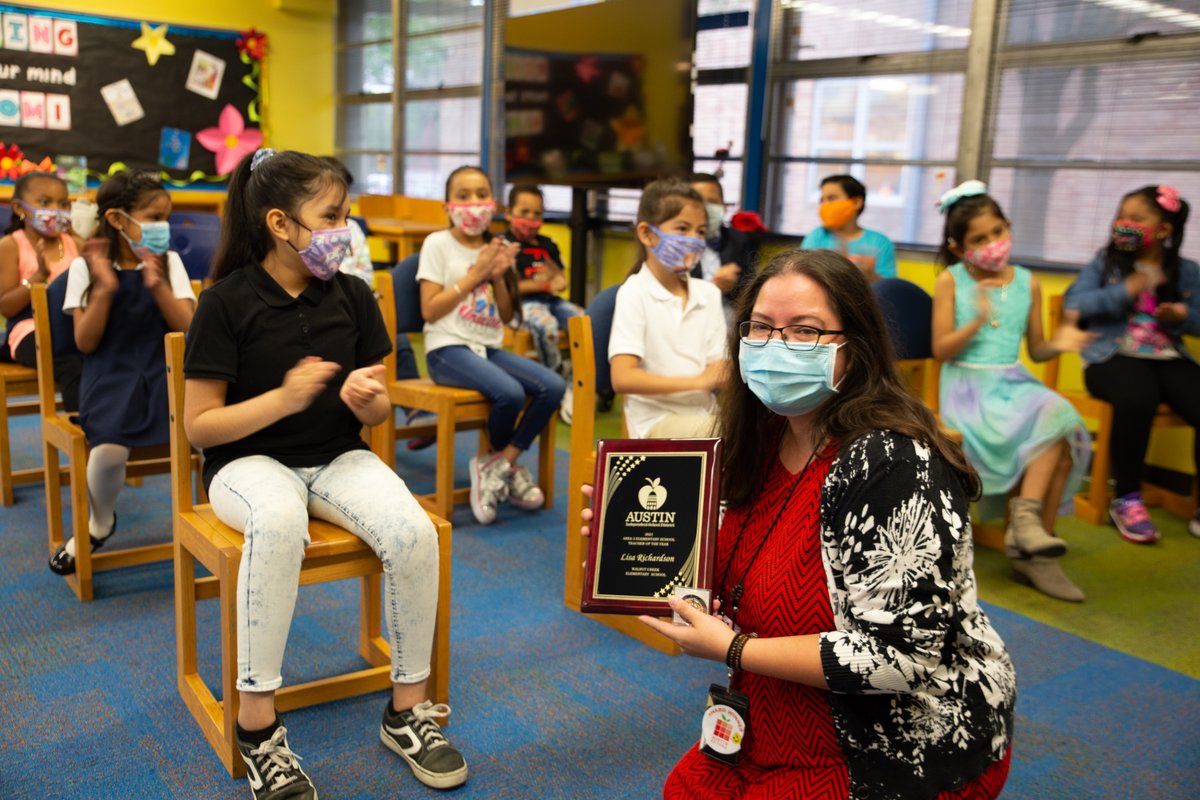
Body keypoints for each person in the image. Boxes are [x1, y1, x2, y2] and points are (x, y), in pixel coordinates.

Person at [584, 248, 1014, 799]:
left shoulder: (890, 464)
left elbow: (903, 657)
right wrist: (635, 538)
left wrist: (734, 650)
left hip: (889, 742)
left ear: (854, 350)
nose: (776, 346)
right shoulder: (765, 436)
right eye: (760, 328)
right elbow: (743, 568)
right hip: (768, 715)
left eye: (806, 331)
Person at [184, 148, 467, 799]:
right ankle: (258, 729)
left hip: (337, 455)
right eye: (332, 216)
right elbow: (200, 426)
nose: (346, 229)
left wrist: (373, 404)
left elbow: (381, 398)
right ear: (281, 223)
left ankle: (407, 713)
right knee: (280, 523)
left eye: (347, 214)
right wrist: (281, 399)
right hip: (246, 464)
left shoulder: (355, 295)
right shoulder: (225, 302)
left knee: (414, 532)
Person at [932, 180, 1092, 601]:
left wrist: (1062, 342)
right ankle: (1032, 547)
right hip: (968, 387)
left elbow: (1037, 349)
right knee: (1055, 433)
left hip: (1014, 381)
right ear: (958, 246)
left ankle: (1027, 528)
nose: (992, 244)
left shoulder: (1028, 281)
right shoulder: (951, 281)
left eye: (997, 232)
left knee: (1057, 417)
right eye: (979, 239)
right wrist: (976, 319)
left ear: (1009, 226)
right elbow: (940, 349)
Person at [48, 170, 196, 574]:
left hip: (163, 368)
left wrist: (158, 284)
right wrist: (106, 288)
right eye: (153, 217)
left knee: (208, 431)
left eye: (166, 217)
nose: (161, 227)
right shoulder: (85, 267)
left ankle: (209, 527)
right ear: (117, 219)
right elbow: (85, 341)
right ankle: (99, 523)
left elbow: (189, 328)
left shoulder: (170, 262)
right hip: (109, 371)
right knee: (108, 451)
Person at [418, 165, 564, 525]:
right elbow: (430, 310)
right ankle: (505, 466)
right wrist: (477, 274)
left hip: (488, 346)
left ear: (494, 203)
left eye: (482, 194)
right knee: (511, 394)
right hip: (447, 349)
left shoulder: (496, 246)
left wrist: (498, 277)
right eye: (463, 196)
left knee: (553, 387)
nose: (474, 203)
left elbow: (507, 312)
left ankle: (499, 463)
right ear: (448, 205)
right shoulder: (437, 244)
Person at [1064, 184, 1200, 543]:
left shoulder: (1186, 271)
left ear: (1164, 229)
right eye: (1122, 216)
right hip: (1110, 356)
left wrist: (1184, 315)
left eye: (1136, 218)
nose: (1124, 223)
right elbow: (1075, 305)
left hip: (1167, 355)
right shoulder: (1105, 262)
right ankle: (1126, 497)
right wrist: (1127, 288)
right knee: (1138, 394)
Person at [609, 178, 729, 439]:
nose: (694, 241)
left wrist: (713, 377)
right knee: (728, 437)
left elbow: (720, 369)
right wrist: (699, 382)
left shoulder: (708, 293)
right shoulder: (634, 292)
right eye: (682, 228)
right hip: (655, 421)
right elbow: (622, 377)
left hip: (705, 415)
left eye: (700, 232)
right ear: (646, 233)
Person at [0, 170, 83, 409]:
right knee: (71, 363)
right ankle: (81, 427)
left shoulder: (75, 244)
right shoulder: (10, 245)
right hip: (28, 329)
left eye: (63, 203)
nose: (56, 210)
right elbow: (6, 306)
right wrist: (39, 276)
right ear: (19, 208)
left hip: (72, 327)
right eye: (45, 202)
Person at [503, 183, 583, 423]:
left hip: (552, 301)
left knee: (585, 322)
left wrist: (551, 281)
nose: (530, 219)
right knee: (546, 326)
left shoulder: (547, 244)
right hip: (520, 306)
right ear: (509, 213)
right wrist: (541, 283)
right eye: (523, 212)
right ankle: (555, 382)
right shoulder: (504, 246)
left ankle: (574, 384)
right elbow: (511, 288)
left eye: (536, 214)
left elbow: (560, 279)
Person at [800, 174, 897, 281]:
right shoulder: (817, 237)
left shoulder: (880, 242)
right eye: (822, 200)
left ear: (856, 202)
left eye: (831, 198)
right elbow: (802, 276)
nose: (825, 205)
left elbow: (889, 286)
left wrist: (867, 275)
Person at [687, 173, 757, 317]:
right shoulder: (676, 244)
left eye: (712, 201)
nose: (705, 209)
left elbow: (751, 292)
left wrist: (734, 285)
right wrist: (713, 288)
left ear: (723, 206)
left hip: (729, 324)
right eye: (698, 202)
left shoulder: (740, 241)